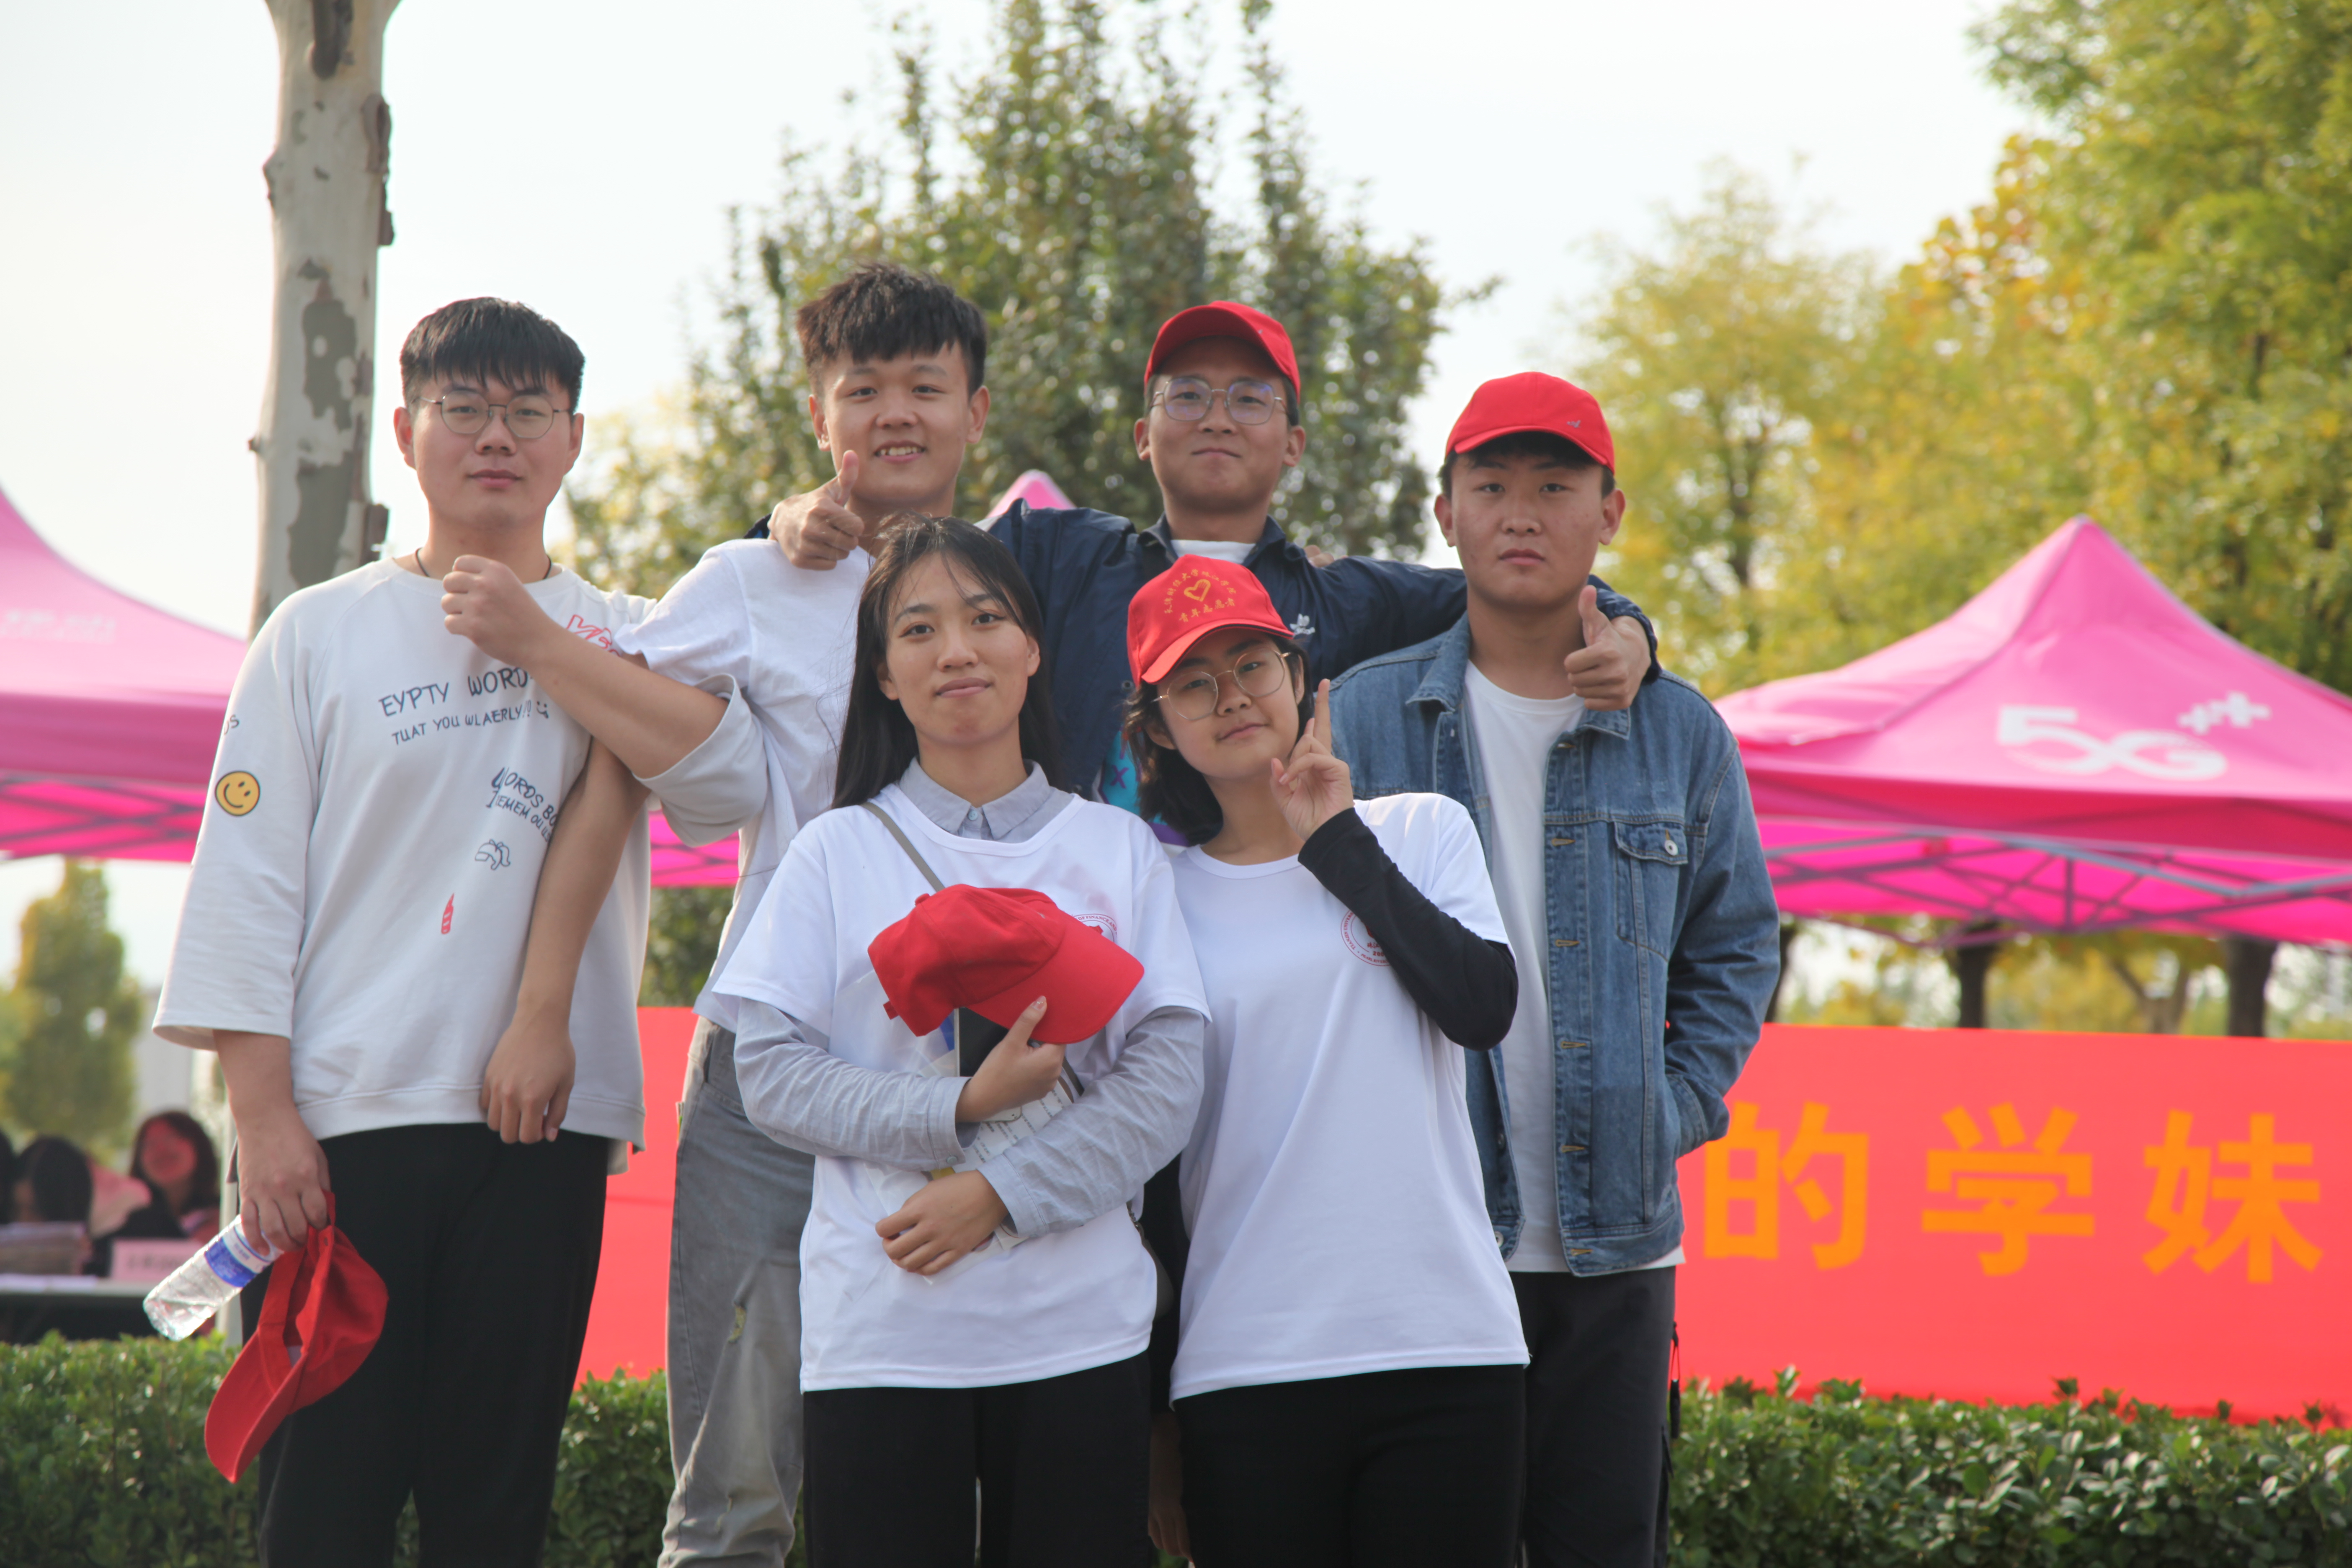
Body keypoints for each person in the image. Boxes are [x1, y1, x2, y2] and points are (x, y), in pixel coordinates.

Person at [154, 297, 758, 1565]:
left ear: (574, 437)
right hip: (344, 1126)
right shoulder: (314, 634)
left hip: (546, 1125)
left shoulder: (629, 632)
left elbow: (723, 781)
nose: (498, 436)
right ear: (404, 432)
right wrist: (264, 1117)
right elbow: (248, 886)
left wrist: (544, 644)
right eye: (465, 407)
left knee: (495, 1505)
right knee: (324, 1506)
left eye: (530, 410)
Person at [438, 261, 994, 1568]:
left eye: (926, 387)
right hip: (771, 1061)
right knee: (733, 1490)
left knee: (935, 1477)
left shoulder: (1019, 587)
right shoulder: (750, 580)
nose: (895, 414)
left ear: (977, 410)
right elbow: (613, 764)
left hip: (965, 1071)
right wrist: (542, 1005)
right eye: (863, 389)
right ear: (818, 413)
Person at [1328, 372, 1782, 1568]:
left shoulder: (1679, 730)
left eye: (1553, 486)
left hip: (1617, 1241)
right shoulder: (1366, 716)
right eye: (1490, 487)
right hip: (1425, 1233)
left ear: (1609, 513)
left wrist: (1675, 1103)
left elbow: (1738, 944)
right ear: (1446, 516)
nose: (1521, 513)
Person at [710, 512, 1207, 1567]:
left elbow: (1167, 1082)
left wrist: (997, 1193)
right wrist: (959, 1106)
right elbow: (770, 1073)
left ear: (1032, 648)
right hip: (883, 1335)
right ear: (883, 675)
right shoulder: (834, 852)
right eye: (919, 629)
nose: (956, 651)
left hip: (1083, 1331)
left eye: (985, 619)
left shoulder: (1118, 848)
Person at [773, 299, 1660, 815]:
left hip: (1265, 938)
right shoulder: (1058, 554)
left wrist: (1626, 628)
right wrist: (784, 519)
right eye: (1188, 395)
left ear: (1294, 443)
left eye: (1250, 397)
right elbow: (910, 563)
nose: (1218, 418)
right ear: (1143, 434)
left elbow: (1517, 594)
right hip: (1085, 926)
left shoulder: (1347, 598)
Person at [1122, 559, 1529, 1568]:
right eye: (1193, 684)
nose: (1232, 697)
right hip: (1244, 1364)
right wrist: (1156, 1414)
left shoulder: (1419, 831)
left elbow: (1482, 1008)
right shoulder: (1154, 893)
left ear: (1301, 678)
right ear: (1159, 728)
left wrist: (1336, 840)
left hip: (1447, 1348)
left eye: (1252, 665)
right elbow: (1152, 1167)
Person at [128, 1110, 224, 1240]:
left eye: (171, 1138)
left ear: (199, 1146)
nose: (161, 1150)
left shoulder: (229, 1215)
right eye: (149, 1144)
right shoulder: (125, 1223)